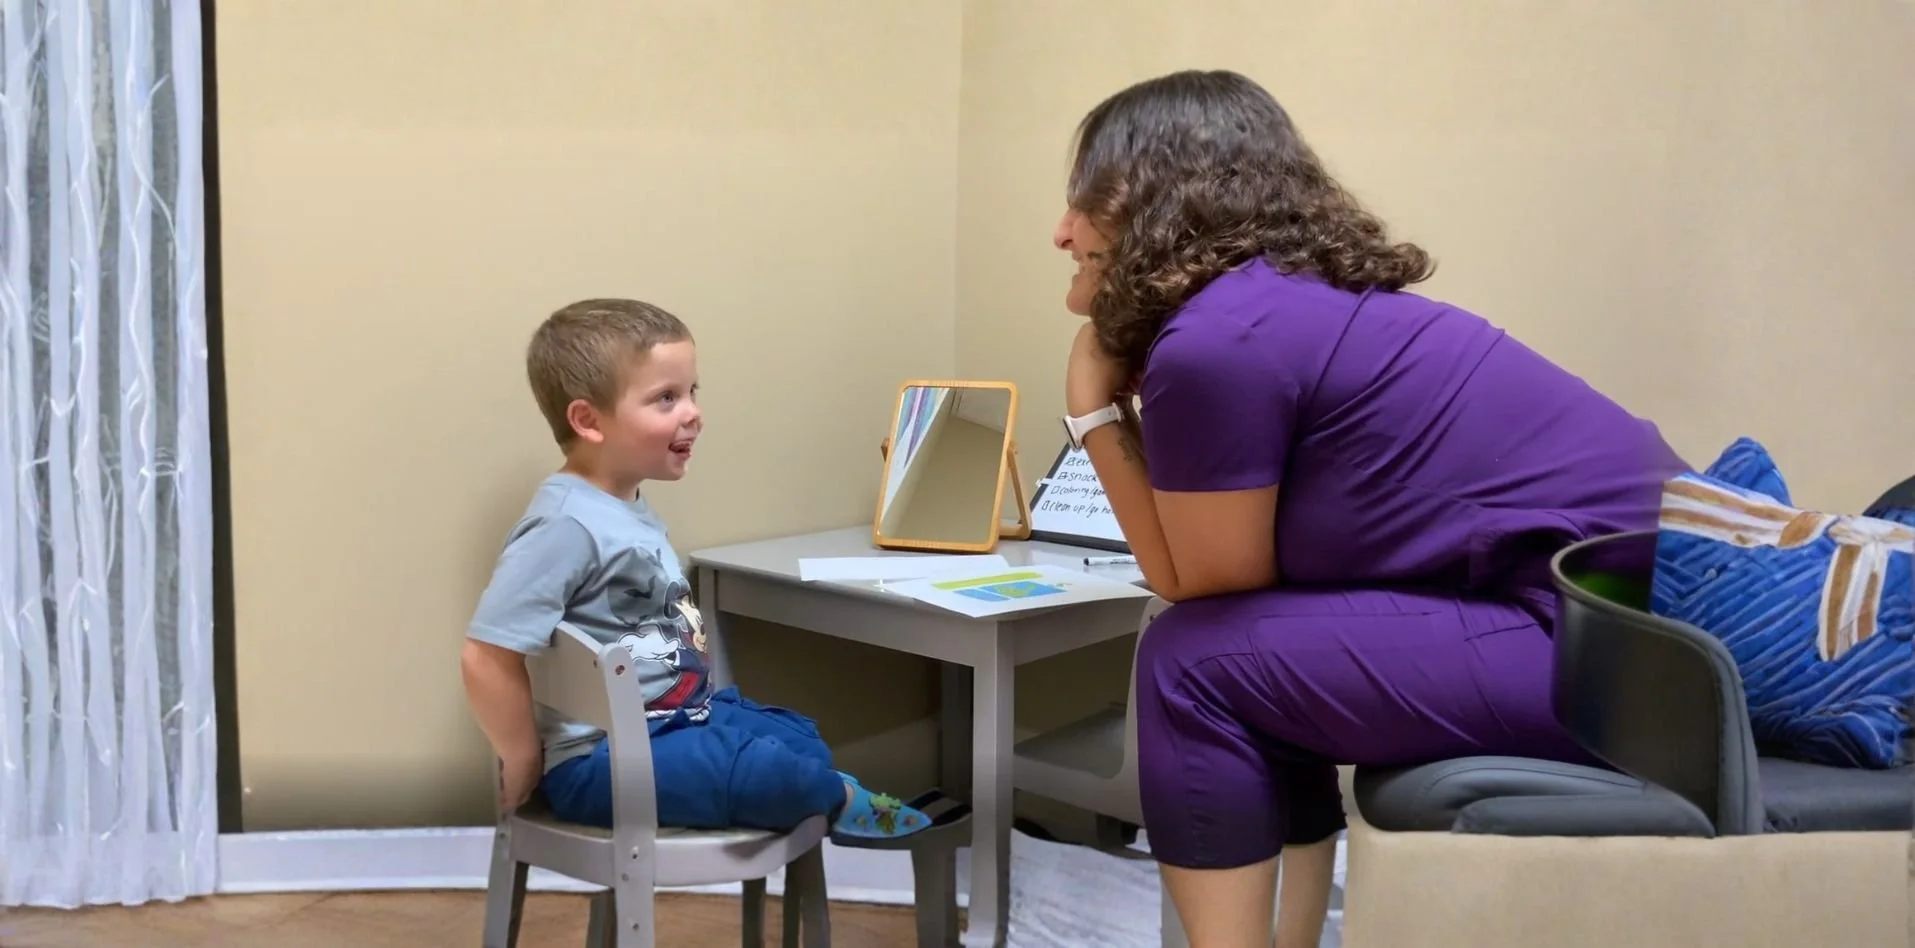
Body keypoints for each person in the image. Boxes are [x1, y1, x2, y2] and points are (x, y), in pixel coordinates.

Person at [1053, 71, 1689, 948]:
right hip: (1634, 624)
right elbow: (1246, 587)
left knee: (1188, 660)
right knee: (1254, 642)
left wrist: (1089, 409)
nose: (1062, 230)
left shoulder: (1215, 342)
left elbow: (1193, 580)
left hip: (1625, 649)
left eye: (1083, 198)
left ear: (1157, 192)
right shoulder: (1284, 305)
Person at [460, 298, 929, 840]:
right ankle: (840, 797)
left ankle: (816, 785)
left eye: (691, 392)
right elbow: (485, 656)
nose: (693, 412)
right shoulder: (566, 524)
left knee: (800, 737)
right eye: (665, 399)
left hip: (677, 721)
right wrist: (520, 756)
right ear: (589, 421)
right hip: (603, 760)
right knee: (777, 772)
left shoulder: (622, 507)